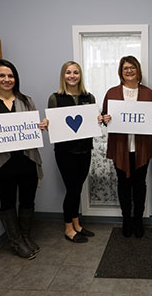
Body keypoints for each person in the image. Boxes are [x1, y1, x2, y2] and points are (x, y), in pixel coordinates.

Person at [0, 59, 45, 259]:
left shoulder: (27, 101)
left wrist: (40, 126)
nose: (6, 79)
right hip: (2, 164)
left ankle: (25, 236)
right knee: (7, 202)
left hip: (27, 159)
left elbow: (32, 128)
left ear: (16, 78)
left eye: (10, 75)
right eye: (2, 75)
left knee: (28, 200)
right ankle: (16, 241)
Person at [99, 56, 152, 238]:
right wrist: (105, 119)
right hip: (121, 148)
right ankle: (126, 219)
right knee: (123, 185)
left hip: (141, 147)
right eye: (125, 68)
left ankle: (138, 219)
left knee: (140, 185)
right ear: (121, 71)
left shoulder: (148, 93)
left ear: (138, 70)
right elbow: (103, 117)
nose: (129, 71)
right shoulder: (112, 93)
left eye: (132, 67)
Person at [46, 61, 96, 243]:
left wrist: (97, 119)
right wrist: (47, 124)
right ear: (63, 75)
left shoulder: (89, 97)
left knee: (78, 188)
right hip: (65, 152)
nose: (72, 76)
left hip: (85, 150)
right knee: (72, 189)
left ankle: (77, 224)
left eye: (76, 72)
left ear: (80, 75)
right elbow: (54, 126)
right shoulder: (55, 98)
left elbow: (91, 122)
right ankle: (68, 228)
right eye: (68, 72)